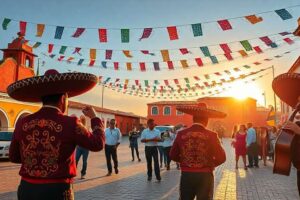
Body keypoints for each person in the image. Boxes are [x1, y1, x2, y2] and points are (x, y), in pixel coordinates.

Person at [8, 69, 105, 200]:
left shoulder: (22, 122)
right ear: (63, 98)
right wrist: (94, 118)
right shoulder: (71, 123)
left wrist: (34, 161)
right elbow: (97, 144)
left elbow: (13, 156)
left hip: (27, 189)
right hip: (57, 191)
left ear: (42, 98)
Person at [170, 103, 226, 200]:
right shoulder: (212, 135)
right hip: (205, 176)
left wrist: (186, 161)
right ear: (207, 120)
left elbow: (172, 155)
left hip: (187, 175)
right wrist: (209, 164)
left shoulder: (181, 133)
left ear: (193, 119)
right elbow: (222, 157)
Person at [75, 115, 90, 179]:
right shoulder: (78, 127)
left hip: (86, 148)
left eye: (83, 119)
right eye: (81, 119)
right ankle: (73, 173)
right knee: (75, 160)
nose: (81, 121)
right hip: (79, 147)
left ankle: (83, 174)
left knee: (84, 162)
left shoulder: (87, 128)